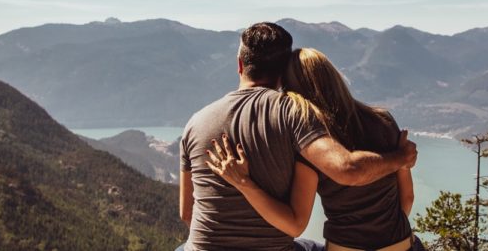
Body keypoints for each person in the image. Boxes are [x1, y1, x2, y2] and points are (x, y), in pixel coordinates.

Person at [179, 23, 418, 251]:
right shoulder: (295, 114)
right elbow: (345, 172)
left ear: (240, 65)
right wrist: (400, 157)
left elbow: (187, 214)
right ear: (282, 74)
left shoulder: (194, 122)